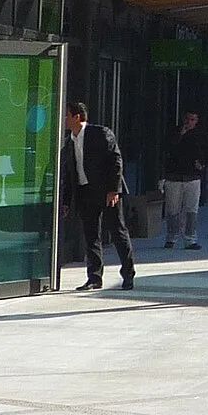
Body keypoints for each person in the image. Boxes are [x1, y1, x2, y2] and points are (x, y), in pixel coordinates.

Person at [61, 102, 135, 290]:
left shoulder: (100, 133)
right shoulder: (69, 141)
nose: (64, 120)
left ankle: (128, 274)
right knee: (91, 234)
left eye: (67, 115)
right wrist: (66, 201)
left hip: (106, 191)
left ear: (77, 116)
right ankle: (94, 277)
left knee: (117, 231)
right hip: (85, 192)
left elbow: (116, 160)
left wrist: (113, 190)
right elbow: (70, 174)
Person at [160, 111, 204, 250]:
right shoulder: (174, 133)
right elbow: (166, 148)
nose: (189, 122)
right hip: (174, 176)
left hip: (193, 176)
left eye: (193, 119)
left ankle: (190, 238)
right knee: (172, 209)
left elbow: (206, 151)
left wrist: (202, 164)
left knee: (191, 210)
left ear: (196, 121)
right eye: (187, 119)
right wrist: (181, 133)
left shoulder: (200, 135)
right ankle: (171, 237)